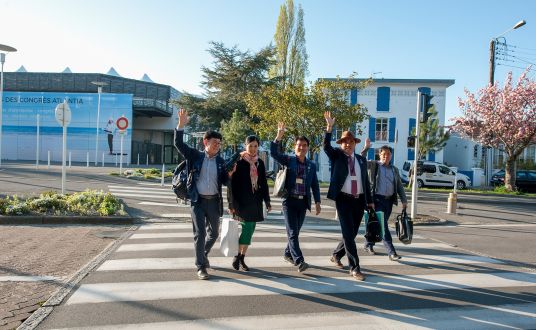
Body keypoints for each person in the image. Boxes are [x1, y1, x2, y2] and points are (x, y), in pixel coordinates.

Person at [174, 108, 232, 280]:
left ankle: (203, 255)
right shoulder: (195, 156)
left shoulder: (221, 162)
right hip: (197, 201)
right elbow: (179, 144)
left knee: (214, 233)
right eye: (215, 142)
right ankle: (201, 266)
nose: (217, 145)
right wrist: (180, 126)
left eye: (220, 143)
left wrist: (230, 176)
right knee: (200, 234)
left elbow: (225, 182)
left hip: (214, 202)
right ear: (205, 142)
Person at [323, 111, 373, 281]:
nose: (347, 145)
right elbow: (326, 147)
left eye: (350, 142)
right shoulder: (337, 156)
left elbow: (366, 182)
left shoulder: (361, 160)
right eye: (344, 142)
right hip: (343, 200)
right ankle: (355, 267)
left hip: (359, 200)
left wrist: (370, 202)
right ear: (341, 144)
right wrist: (329, 128)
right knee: (347, 233)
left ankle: (336, 255)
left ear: (355, 144)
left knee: (350, 235)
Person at [270, 122, 321, 273]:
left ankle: (288, 253)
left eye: (304, 145)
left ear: (308, 147)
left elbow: (315, 185)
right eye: (299, 145)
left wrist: (318, 202)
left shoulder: (311, 165)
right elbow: (274, 153)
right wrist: (278, 137)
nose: (302, 147)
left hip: (303, 202)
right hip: (289, 202)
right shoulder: (288, 160)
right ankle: (299, 261)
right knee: (292, 232)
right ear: (295, 147)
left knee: (295, 232)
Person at [228, 135, 272, 271]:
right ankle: (237, 256)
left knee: (251, 230)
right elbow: (231, 184)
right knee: (247, 228)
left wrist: (267, 201)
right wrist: (231, 204)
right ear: (245, 145)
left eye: (255, 146)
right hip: (241, 202)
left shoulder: (259, 163)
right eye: (250, 146)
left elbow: (263, 183)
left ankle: (241, 256)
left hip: (255, 201)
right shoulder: (238, 161)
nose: (253, 149)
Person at [361, 139, 408, 261]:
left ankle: (368, 244)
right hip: (376, 200)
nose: (386, 156)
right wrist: (366, 148)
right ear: (379, 155)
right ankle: (391, 252)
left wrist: (404, 200)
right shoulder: (374, 165)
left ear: (391, 156)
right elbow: (361, 160)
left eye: (388, 154)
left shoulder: (394, 169)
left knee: (379, 225)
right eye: (383, 154)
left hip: (389, 201)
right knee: (384, 226)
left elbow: (399, 186)